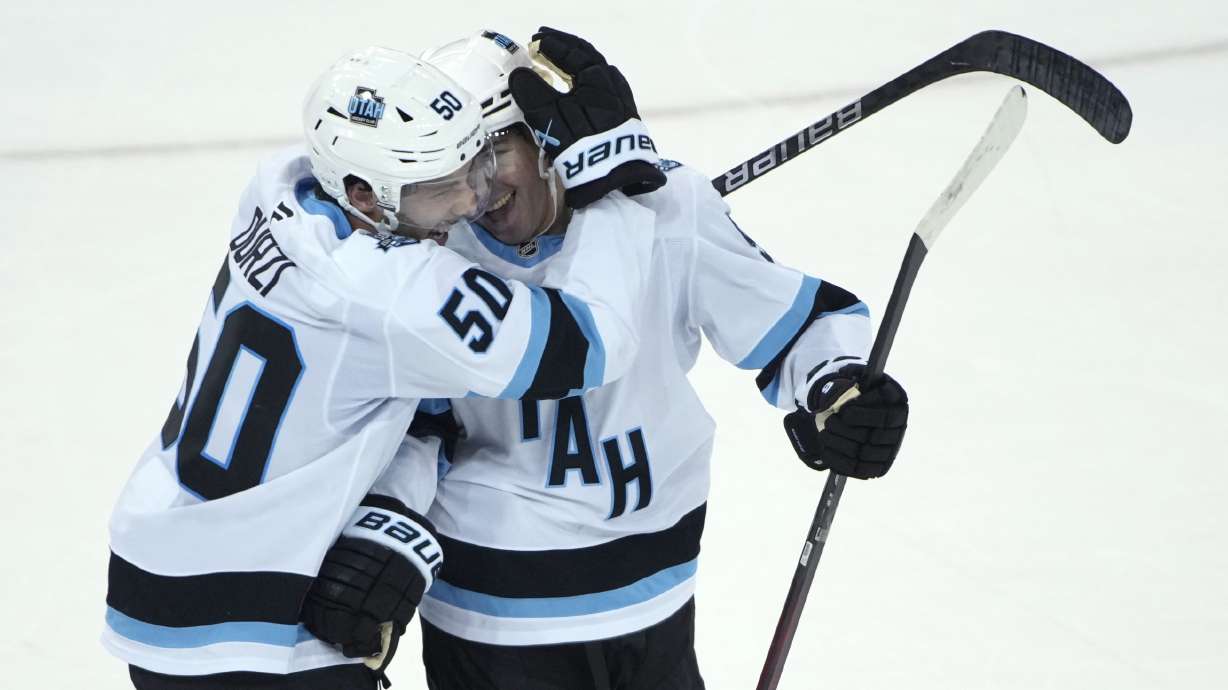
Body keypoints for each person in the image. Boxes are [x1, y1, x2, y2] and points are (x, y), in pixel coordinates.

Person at [348, 29, 910, 689]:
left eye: (499, 147)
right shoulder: (432, 256)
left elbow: (799, 322)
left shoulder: (664, 211)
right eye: (463, 162)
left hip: (654, 604)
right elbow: (417, 424)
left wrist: (835, 388)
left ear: (550, 136)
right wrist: (379, 535)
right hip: (492, 622)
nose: (484, 185)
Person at [102, 43, 666, 690]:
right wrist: (608, 187)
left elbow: (399, 394)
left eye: (472, 171)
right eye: (438, 189)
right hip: (255, 620)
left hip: (162, 569)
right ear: (366, 195)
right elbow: (591, 343)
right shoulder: (393, 295)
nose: (466, 205)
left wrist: (395, 511)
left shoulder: (279, 188)